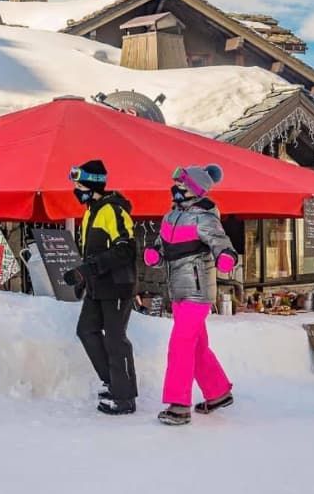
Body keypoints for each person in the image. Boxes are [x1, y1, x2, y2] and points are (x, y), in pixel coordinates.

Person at [144, 164, 237, 425]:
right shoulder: (171, 217)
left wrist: (226, 257)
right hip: (177, 289)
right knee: (196, 346)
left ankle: (178, 405)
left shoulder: (205, 218)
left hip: (197, 292)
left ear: (195, 190)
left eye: (182, 186)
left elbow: (221, 243)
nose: (176, 189)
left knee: (180, 344)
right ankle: (218, 392)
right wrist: (155, 253)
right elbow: (162, 244)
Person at [63, 160, 139, 415]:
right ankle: (114, 382)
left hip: (117, 286)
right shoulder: (91, 211)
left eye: (79, 184)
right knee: (86, 330)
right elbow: (94, 252)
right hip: (98, 286)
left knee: (116, 340)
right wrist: (84, 278)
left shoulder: (113, 210)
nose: (76, 189)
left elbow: (125, 250)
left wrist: (87, 270)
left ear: (91, 184)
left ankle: (125, 397)